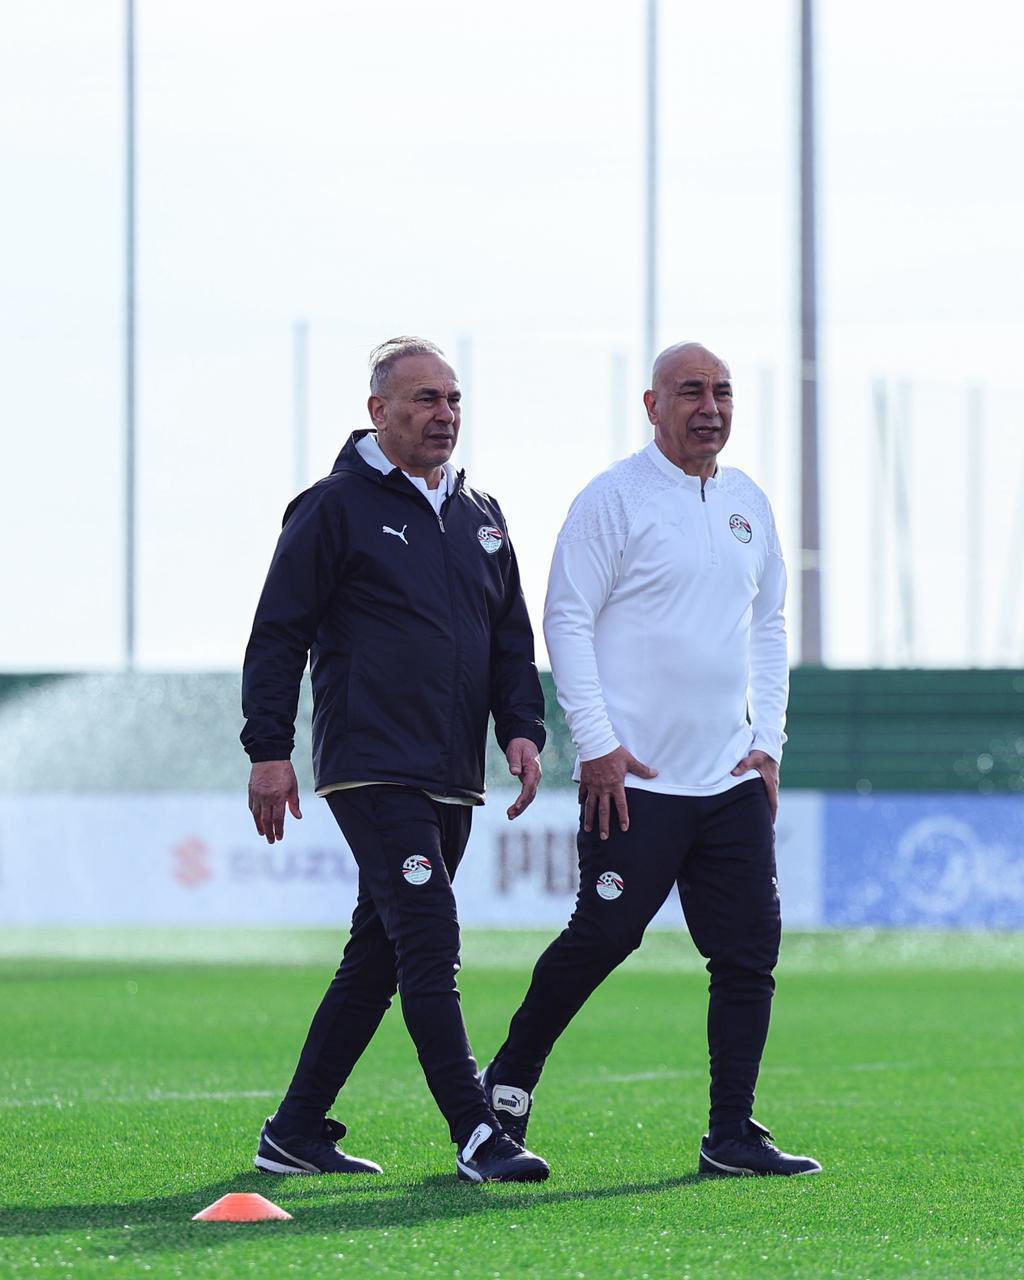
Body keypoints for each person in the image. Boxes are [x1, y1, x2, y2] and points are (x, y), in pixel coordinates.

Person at [481, 342, 821, 1177]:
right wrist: (596, 744)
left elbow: (770, 624)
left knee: (748, 955)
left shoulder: (748, 502)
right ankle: (506, 1088)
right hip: (635, 782)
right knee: (603, 937)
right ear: (652, 404)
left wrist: (768, 744)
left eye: (723, 392)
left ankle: (731, 1134)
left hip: (730, 780)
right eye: (691, 391)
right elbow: (566, 618)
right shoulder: (613, 499)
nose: (710, 407)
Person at [240, 336, 549, 1184]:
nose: (444, 414)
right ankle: (478, 1133)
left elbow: (510, 640)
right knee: (429, 939)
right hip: (372, 767)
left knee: (377, 955)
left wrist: (522, 727)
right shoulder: (332, 506)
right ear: (378, 411)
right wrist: (269, 750)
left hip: (453, 775)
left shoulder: (482, 515)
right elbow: (278, 635)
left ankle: (294, 1131)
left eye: (453, 399)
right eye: (424, 399)